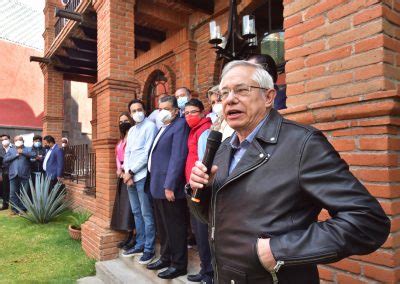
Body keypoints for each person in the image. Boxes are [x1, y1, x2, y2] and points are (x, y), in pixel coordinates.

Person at [187, 60, 390, 283]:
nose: (229, 99)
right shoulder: (224, 148)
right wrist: (201, 191)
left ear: (268, 97)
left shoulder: (302, 144)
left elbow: (367, 221)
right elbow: (211, 218)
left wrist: (277, 251)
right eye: (224, 93)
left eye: (242, 90)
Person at [146, 96, 190, 279]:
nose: (161, 111)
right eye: (159, 108)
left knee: (175, 227)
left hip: (169, 187)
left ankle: (179, 264)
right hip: (157, 184)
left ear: (175, 111)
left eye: (165, 108)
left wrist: (170, 184)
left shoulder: (179, 125)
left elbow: (178, 156)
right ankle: (165, 258)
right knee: (163, 226)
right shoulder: (164, 127)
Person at [122, 99, 158, 265]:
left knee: (146, 213)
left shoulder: (150, 126)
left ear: (144, 109)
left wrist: (130, 172)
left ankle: (149, 249)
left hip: (142, 176)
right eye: (134, 110)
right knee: (136, 212)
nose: (137, 113)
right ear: (130, 114)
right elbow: (127, 152)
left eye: (139, 109)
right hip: (130, 178)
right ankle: (140, 243)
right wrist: (126, 173)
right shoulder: (132, 130)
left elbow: (147, 153)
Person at [183, 99, 213, 284]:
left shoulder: (204, 131)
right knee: (198, 231)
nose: (189, 116)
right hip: (192, 186)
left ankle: (209, 274)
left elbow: (204, 162)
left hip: (200, 190)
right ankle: (204, 270)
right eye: (186, 113)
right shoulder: (194, 130)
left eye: (193, 112)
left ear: (202, 112)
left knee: (202, 232)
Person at [110, 112, 136, 251]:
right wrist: (119, 169)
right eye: (120, 121)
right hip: (122, 175)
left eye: (126, 120)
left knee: (132, 208)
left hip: (130, 175)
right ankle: (128, 235)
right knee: (125, 208)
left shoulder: (133, 136)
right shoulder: (121, 139)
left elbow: (131, 155)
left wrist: (125, 170)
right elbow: (117, 156)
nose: (123, 123)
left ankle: (135, 237)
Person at [3, 136, 35, 214]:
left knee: (24, 193)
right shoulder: (11, 150)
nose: (18, 141)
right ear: (14, 142)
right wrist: (16, 155)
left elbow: (33, 155)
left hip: (24, 174)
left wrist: (22, 152)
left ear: (23, 141)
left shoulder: (28, 149)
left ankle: (22, 209)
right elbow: (5, 160)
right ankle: (14, 209)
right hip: (13, 174)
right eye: (16, 140)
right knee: (13, 193)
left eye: (20, 140)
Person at [0, 134, 12, 210]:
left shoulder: (14, 147)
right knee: (5, 189)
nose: (4, 141)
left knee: (14, 188)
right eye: (2, 140)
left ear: (9, 139)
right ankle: (5, 205)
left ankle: (14, 205)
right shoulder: (0, 149)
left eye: (5, 139)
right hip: (4, 171)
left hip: (13, 171)